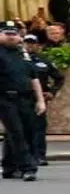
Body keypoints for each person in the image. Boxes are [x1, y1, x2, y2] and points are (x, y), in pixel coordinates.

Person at [0, 21, 42, 182]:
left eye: (14, 34)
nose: (11, 37)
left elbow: (33, 78)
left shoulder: (22, 54)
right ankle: (28, 168)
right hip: (5, 98)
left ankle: (9, 167)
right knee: (17, 132)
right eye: (7, 34)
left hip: (25, 98)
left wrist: (40, 100)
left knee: (24, 131)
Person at [22, 34, 62, 167]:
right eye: (27, 43)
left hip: (39, 98)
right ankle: (24, 156)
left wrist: (52, 92)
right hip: (21, 97)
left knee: (39, 127)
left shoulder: (44, 60)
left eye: (32, 43)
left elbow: (59, 77)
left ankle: (39, 156)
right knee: (21, 127)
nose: (29, 45)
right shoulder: (17, 59)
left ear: (38, 45)